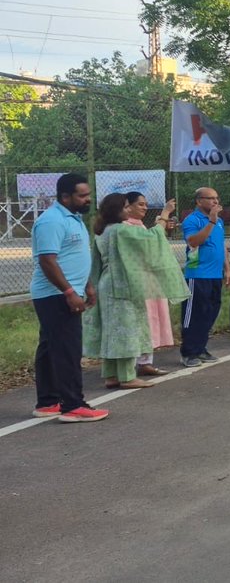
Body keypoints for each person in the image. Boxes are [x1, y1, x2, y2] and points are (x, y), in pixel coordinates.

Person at [84, 193, 189, 391]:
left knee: (112, 332)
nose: (128, 211)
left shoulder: (103, 231)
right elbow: (151, 238)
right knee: (126, 331)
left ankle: (111, 375)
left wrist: (93, 288)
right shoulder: (122, 230)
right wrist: (164, 215)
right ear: (116, 210)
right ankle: (127, 377)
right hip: (123, 286)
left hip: (106, 285)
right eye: (124, 207)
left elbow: (95, 263)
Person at [30, 173, 106, 422]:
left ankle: (48, 402)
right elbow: (48, 261)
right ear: (65, 197)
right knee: (67, 350)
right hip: (55, 295)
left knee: (51, 347)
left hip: (68, 291)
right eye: (82, 195)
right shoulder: (51, 221)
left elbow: (74, 257)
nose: (88, 199)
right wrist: (70, 292)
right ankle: (73, 406)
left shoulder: (74, 219)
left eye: (88, 194)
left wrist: (88, 286)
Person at [122, 191, 175, 377]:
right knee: (140, 321)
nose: (144, 207)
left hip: (149, 280)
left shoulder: (139, 225)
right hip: (136, 282)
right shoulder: (123, 226)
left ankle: (145, 362)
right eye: (140, 204)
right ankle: (129, 365)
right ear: (127, 205)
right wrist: (164, 214)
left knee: (151, 318)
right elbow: (151, 240)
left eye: (146, 204)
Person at [180, 186, 230, 367]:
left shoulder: (218, 221)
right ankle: (188, 352)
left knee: (210, 312)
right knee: (195, 313)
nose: (215, 202)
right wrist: (210, 222)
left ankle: (201, 348)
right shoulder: (192, 220)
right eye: (210, 198)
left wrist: (227, 269)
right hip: (197, 274)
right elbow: (193, 242)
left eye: (216, 198)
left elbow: (221, 245)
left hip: (214, 275)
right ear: (199, 201)